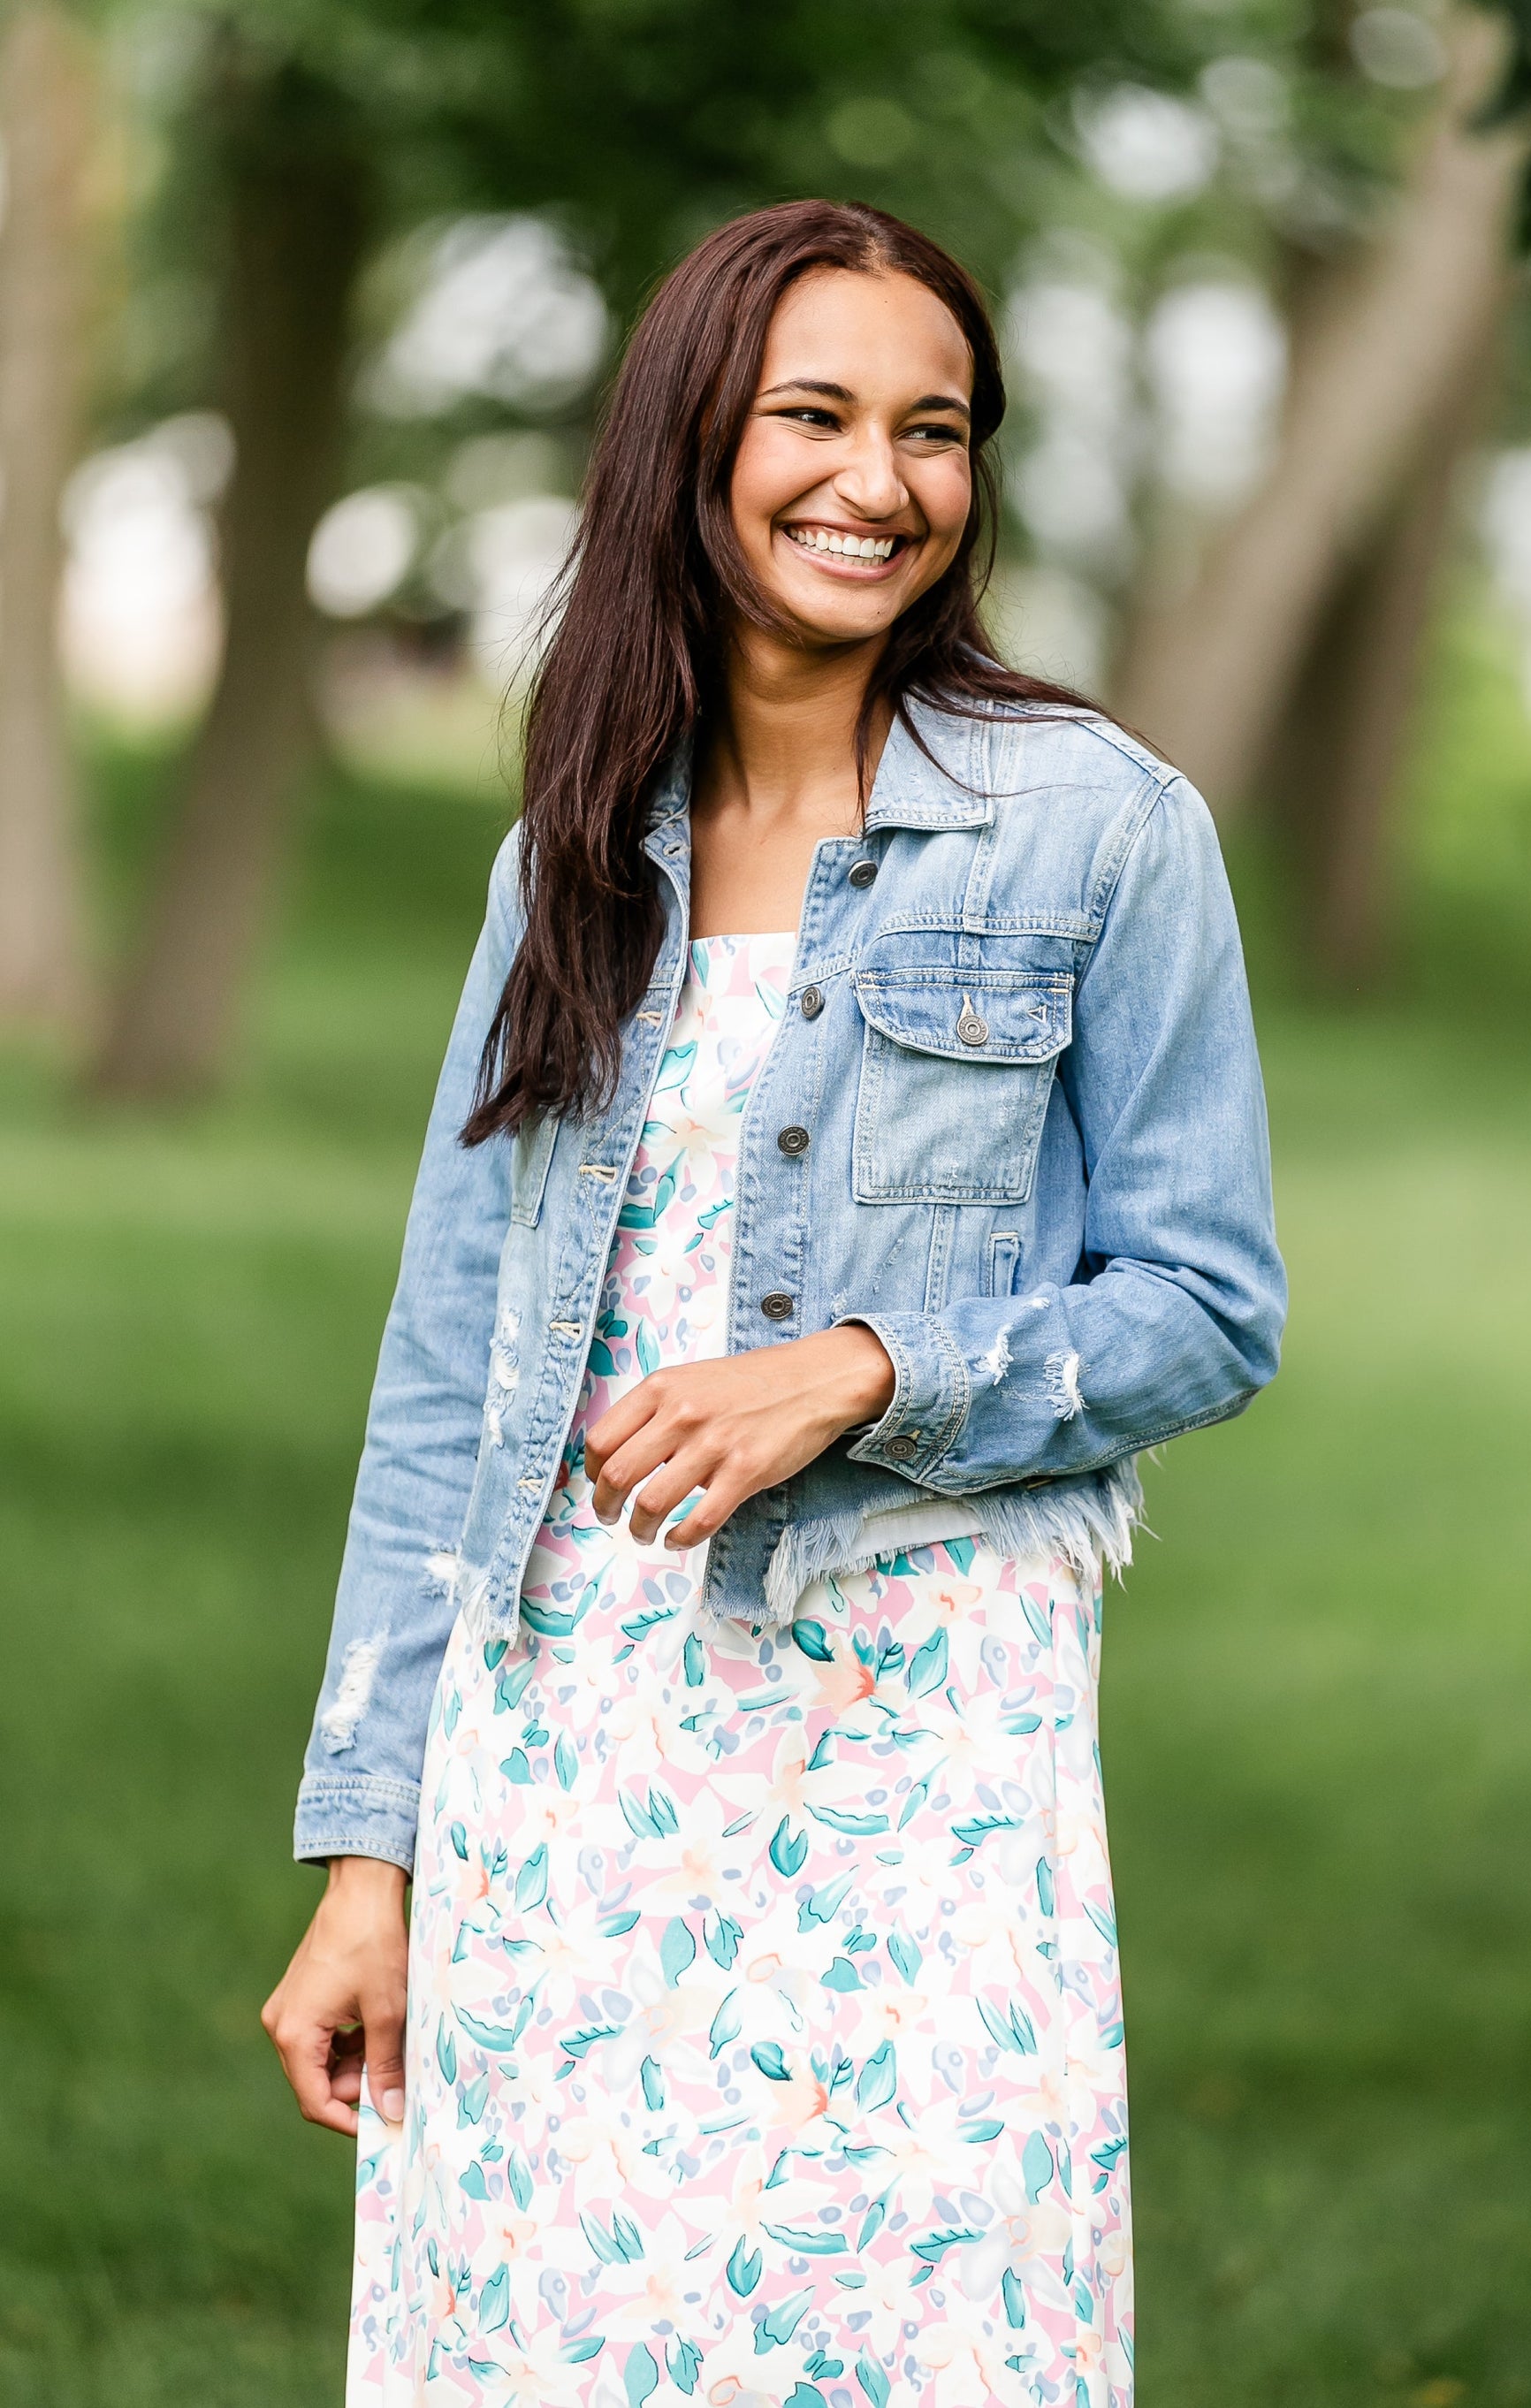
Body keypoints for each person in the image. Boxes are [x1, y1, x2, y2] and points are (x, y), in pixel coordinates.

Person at [263, 196, 1286, 2408]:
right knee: (559, 2339)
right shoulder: (568, 842)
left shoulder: (1100, 831)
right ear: (693, 443)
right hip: (562, 1754)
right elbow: (449, 1370)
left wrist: (870, 1368)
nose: (878, 480)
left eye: (936, 431)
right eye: (813, 414)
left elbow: (1209, 1302)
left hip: (913, 1745)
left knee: (911, 2327)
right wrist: (372, 1855)